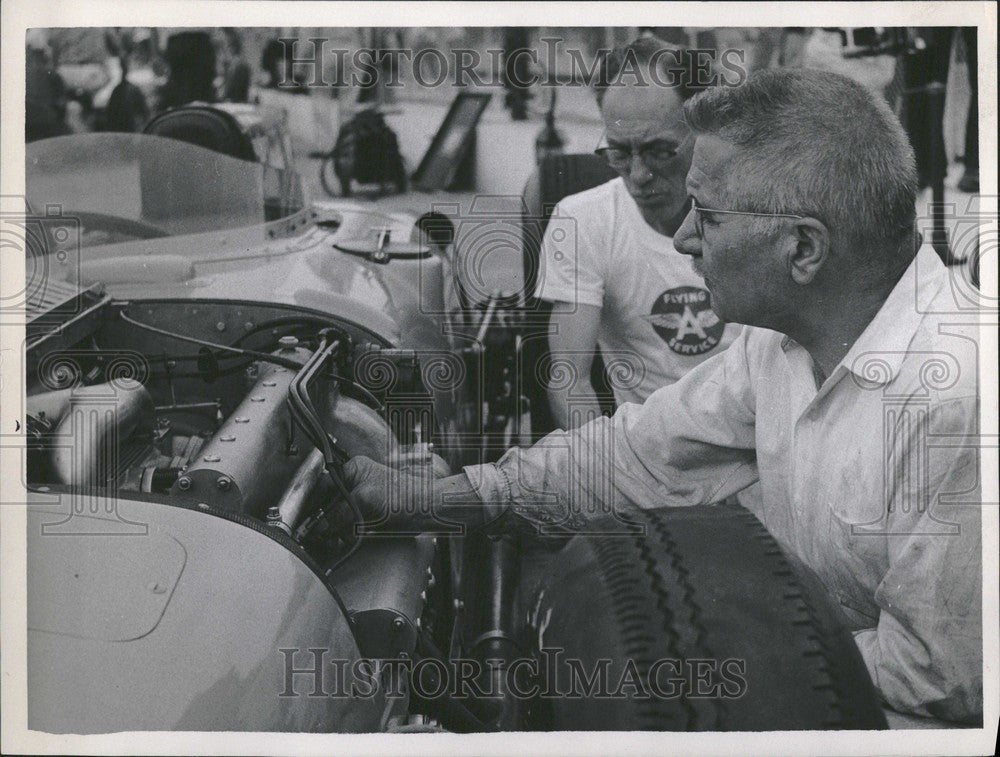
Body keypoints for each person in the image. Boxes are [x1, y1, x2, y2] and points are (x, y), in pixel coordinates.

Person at [344, 68, 983, 724]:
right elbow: (632, 454)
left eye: (705, 215)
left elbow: (936, 677)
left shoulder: (956, 399)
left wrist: (695, 665)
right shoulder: (779, 343)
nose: (682, 239)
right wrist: (442, 497)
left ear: (803, 248)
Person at [538, 39, 740, 430]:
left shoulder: (755, 214)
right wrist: (599, 472)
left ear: (705, 130)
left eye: (661, 151)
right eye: (618, 153)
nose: (639, 175)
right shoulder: (581, 220)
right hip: (651, 456)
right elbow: (570, 378)